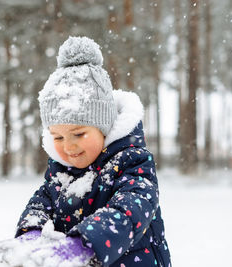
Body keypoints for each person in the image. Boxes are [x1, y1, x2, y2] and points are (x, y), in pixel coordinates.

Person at [14, 36, 171, 267]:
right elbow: (41, 202)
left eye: (78, 134)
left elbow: (130, 209)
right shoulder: (61, 171)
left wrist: (84, 244)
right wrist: (31, 231)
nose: (68, 147)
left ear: (104, 126)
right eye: (58, 137)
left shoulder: (132, 161)